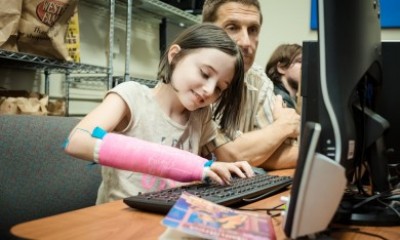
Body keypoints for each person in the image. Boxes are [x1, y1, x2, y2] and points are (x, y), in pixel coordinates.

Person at [64, 23, 254, 204]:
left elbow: (225, 153)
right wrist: (194, 166)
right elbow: (77, 142)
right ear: (175, 56)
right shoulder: (131, 97)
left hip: (169, 220)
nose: (209, 90)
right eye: (204, 74)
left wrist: (228, 167)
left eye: (220, 88)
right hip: (119, 222)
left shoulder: (200, 116)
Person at [201, 0, 301, 170]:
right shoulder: (197, 81)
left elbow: (285, 149)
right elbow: (225, 156)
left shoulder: (258, 79)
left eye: (253, 30)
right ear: (206, 32)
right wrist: (284, 125)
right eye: (232, 27)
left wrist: (256, 148)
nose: (246, 42)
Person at [266, 43, 302, 110]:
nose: (306, 66)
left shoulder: (291, 100)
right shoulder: (276, 100)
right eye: (300, 61)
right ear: (281, 68)